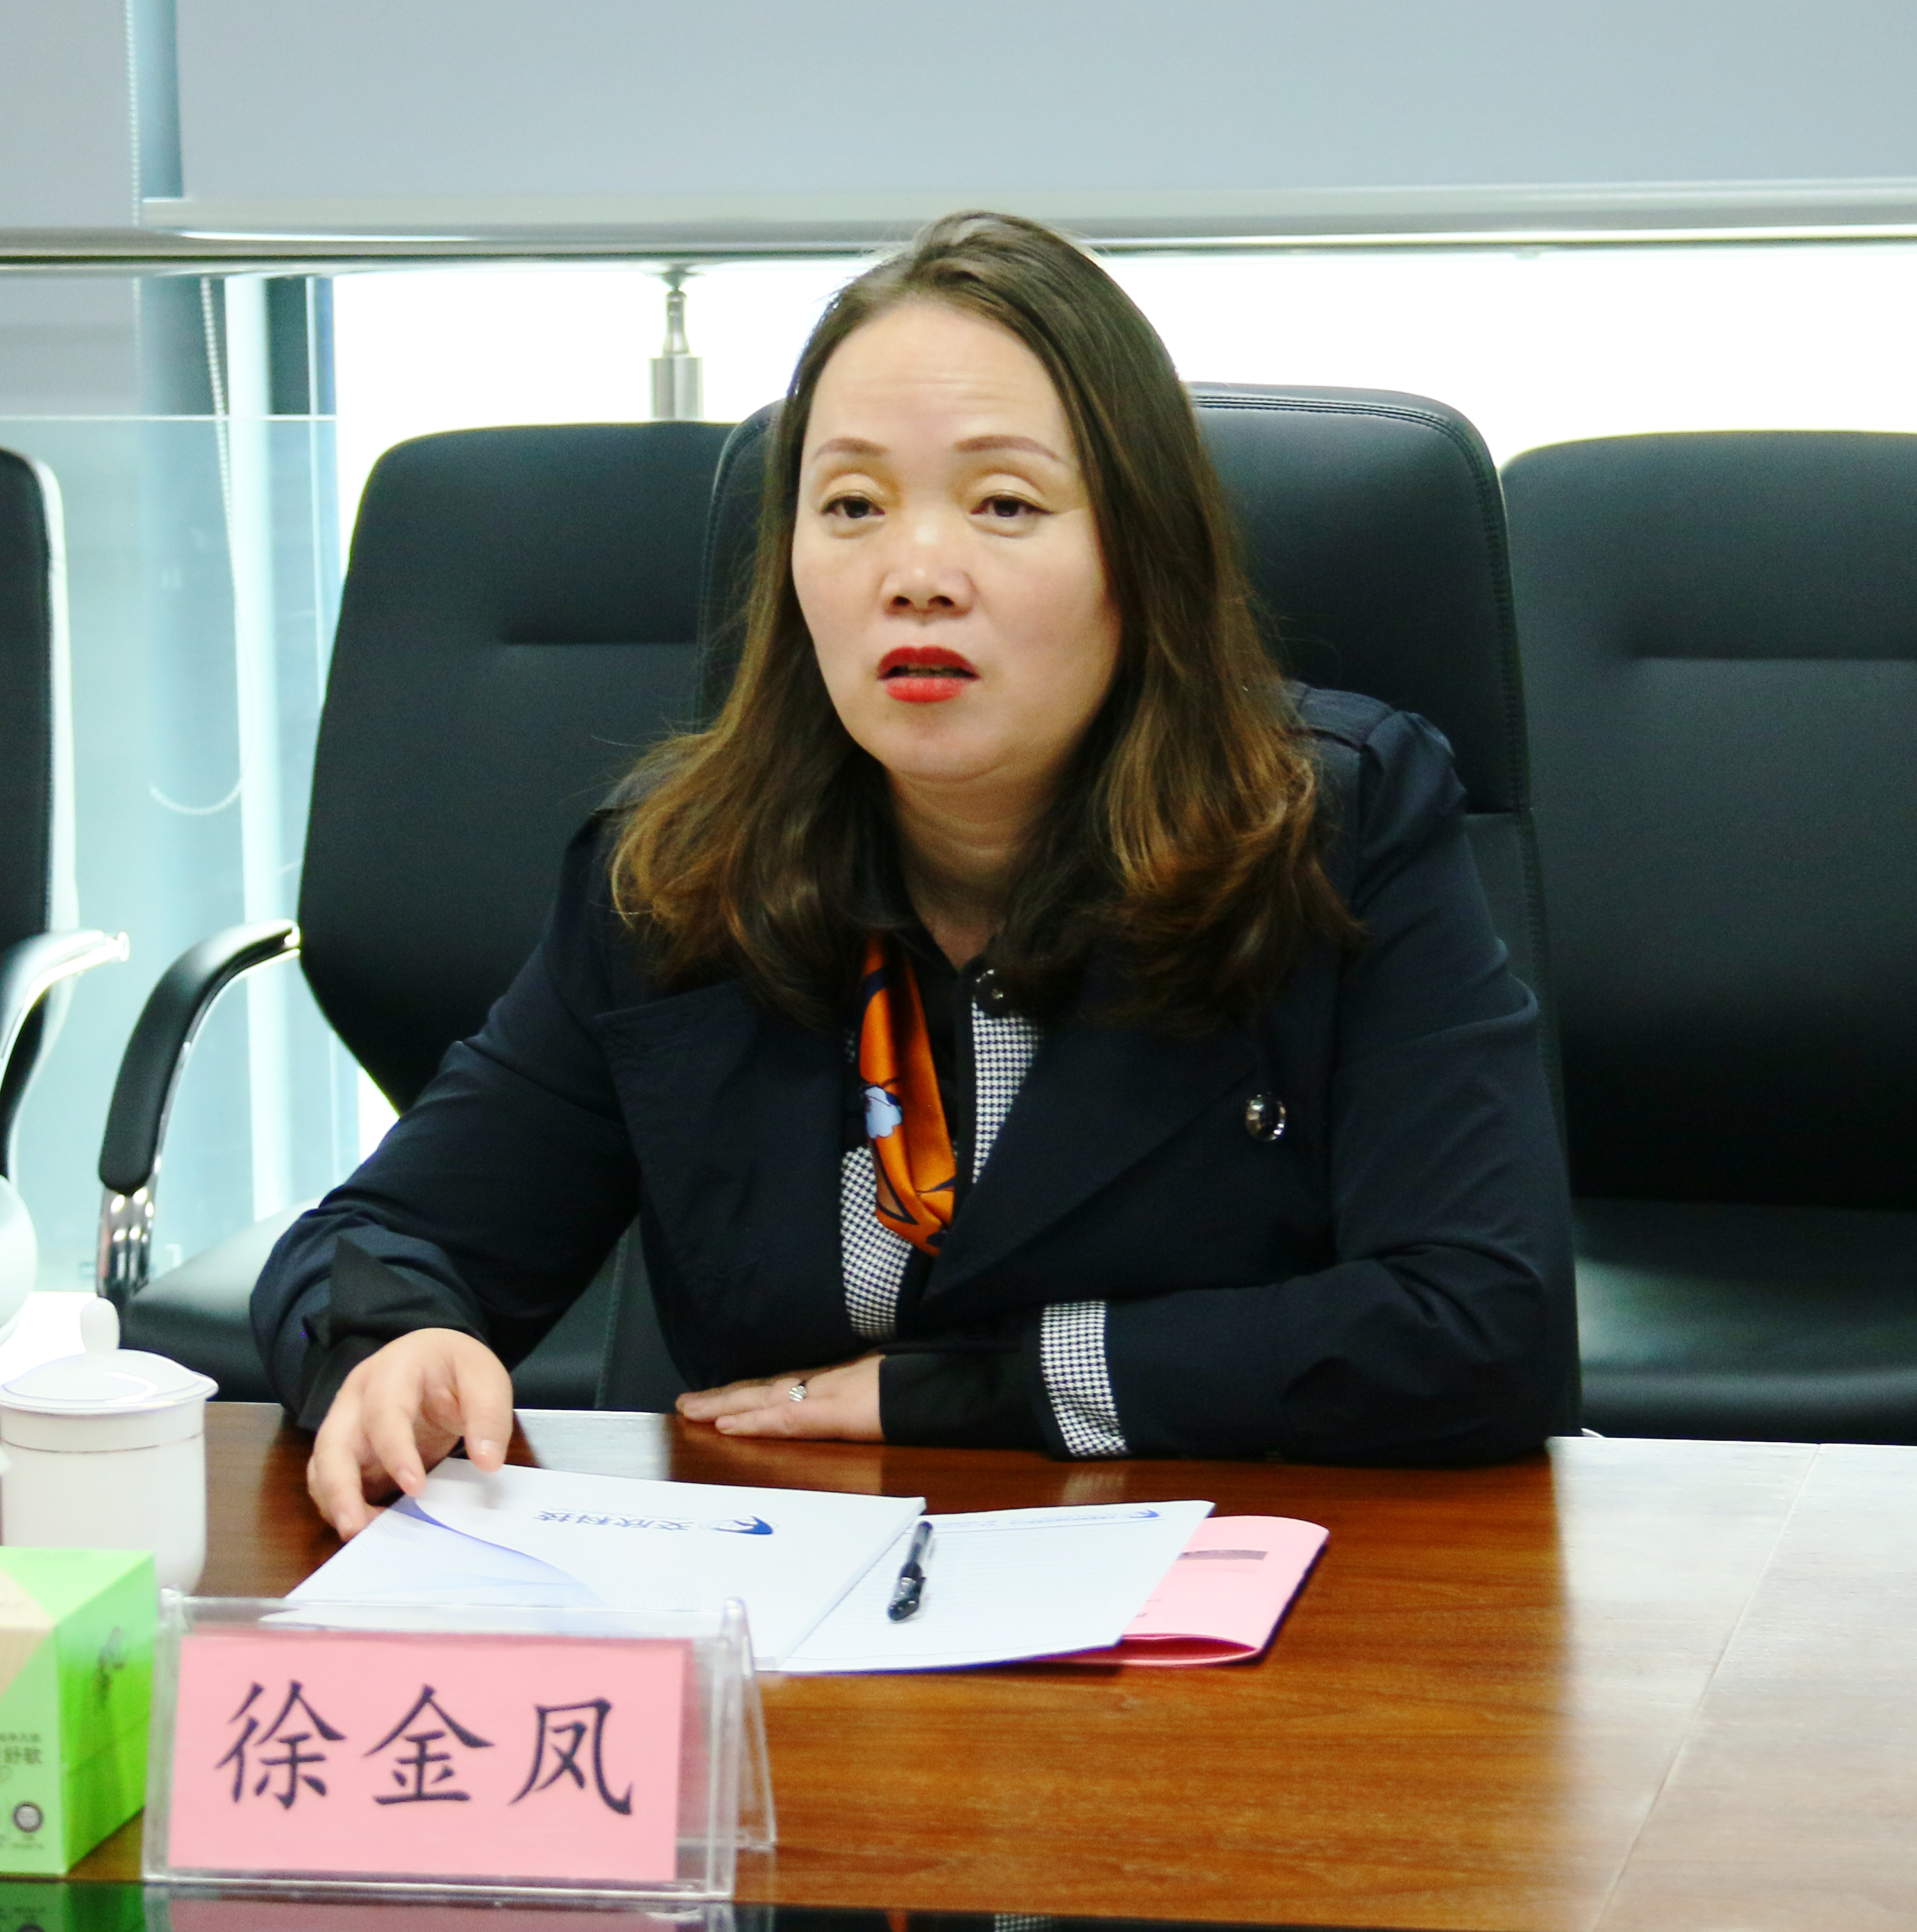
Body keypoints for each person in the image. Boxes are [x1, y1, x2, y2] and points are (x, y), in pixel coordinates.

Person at [255, 210, 1574, 1535]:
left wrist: (976, 1392)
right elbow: (377, 1243)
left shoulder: (1328, 828)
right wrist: (395, 1343)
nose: (918, 574)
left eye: (1005, 506)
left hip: (1233, 1594)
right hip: (789, 1598)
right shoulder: (678, 883)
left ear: (1143, 555)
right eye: (851, 507)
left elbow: (1478, 1325)